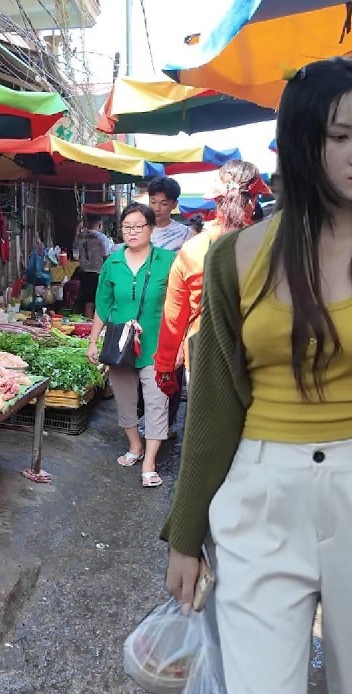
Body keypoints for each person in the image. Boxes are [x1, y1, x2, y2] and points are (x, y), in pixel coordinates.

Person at [162, 58, 352, 694]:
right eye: (339, 135)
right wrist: (184, 534)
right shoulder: (233, 260)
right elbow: (212, 411)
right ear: (300, 141)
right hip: (260, 498)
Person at [154, 160, 267, 421]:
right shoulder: (271, 246)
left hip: (204, 352)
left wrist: (165, 366)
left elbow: (174, 318)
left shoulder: (193, 249)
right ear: (255, 198)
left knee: (209, 432)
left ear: (216, 199)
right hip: (262, 354)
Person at [86, 204, 175, 488]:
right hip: (119, 344)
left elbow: (180, 304)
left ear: (151, 228)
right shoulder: (112, 262)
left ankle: (149, 461)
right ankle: (135, 446)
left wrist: (181, 342)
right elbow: (103, 305)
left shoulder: (168, 260)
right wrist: (92, 340)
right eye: (127, 227)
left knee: (156, 403)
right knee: (124, 402)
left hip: (156, 345)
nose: (133, 231)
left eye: (139, 226)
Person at [76, 215, 114, 318]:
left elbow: (75, 253)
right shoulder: (101, 237)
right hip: (98, 272)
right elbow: (106, 257)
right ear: (100, 224)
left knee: (88, 302)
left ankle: (89, 325)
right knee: (101, 301)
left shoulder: (80, 236)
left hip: (84, 272)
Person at [146, 177, 194, 253]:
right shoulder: (139, 229)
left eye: (164, 204)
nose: (157, 208)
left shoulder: (185, 233)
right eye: (153, 202)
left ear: (174, 204)